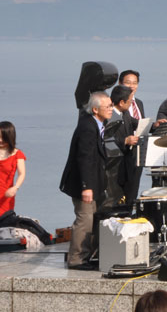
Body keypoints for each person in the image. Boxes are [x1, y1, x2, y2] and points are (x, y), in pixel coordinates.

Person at [59, 91, 113, 270]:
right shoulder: (87, 127)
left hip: (95, 183)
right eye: (108, 106)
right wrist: (86, 187)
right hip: (83, 184)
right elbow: (85, 158)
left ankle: (88, 255)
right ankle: (76, 259)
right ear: (95, 109)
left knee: (94, 218)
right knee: (84, 219)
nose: (111, 109)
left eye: (111, 105)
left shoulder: (97, 124)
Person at [108, 85, 141, 206]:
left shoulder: (125, 113)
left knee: (129, 198)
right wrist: (125, 141)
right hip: (115, 167)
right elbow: (106, 140)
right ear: (121, 102)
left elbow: (136, 123)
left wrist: (154, 125)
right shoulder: (109, 116)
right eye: (130, 101)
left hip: (127, 163)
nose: (131, 103)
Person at [0, 121, 26, 216]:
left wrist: (15, 187)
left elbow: (22, 174)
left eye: (3, 138)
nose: (0, 140)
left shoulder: (17, 154)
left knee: (5, 220)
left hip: (6, 195)